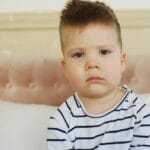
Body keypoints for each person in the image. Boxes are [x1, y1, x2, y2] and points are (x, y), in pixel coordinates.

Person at [47, 0, 150, 149]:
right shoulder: (61, 122)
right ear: (66, 68)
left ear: (122, 61)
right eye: (78, 54)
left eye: (104, 52)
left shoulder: (139, 113)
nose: (92, 63)